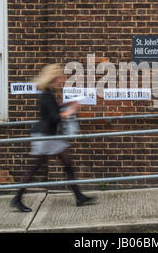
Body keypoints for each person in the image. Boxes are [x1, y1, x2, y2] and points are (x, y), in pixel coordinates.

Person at [10, 64, 95, 212]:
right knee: (34, 168)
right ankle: (17, 198)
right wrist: (69, 111)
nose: (61, 80)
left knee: (68, 164)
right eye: (60, 77)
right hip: (45, 136)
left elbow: (54, 111)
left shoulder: (48, 93)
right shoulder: (45, 95)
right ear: (53, 78)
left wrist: (66, 105)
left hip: (52, 135)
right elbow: (53, 117)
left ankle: (79, 196)